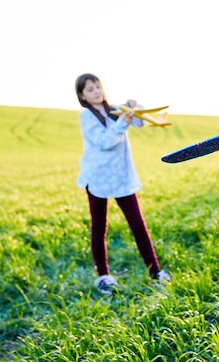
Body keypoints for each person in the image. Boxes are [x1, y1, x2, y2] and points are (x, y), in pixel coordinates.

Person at [75, 73, 171, 294]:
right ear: (82, 95)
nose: (96, 91)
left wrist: (134, 107)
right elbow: (104, 141)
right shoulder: (86, 117)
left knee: (138, 224)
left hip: (121, 177)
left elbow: (138, 122)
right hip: (97, 178)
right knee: (99, 227)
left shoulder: (114, 110)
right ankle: (104, 277)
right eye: (90, 89)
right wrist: (122, 122)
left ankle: (155, 272)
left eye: (97, 86)